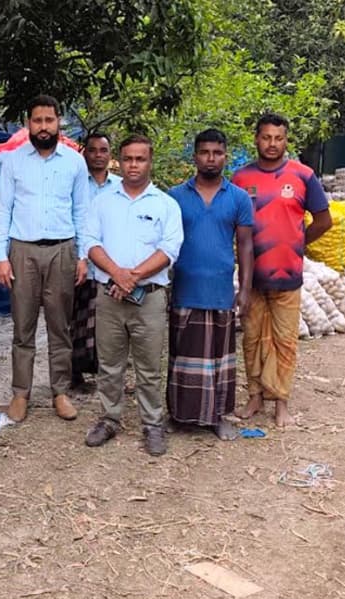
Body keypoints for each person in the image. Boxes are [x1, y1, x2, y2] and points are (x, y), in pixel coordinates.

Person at [79, 135, 183, 456]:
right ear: (119, 162)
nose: (133, 165)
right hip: (109, 296)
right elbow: (90, 241)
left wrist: (132, 276)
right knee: (110, 364)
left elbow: (169, 249)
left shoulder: (165, 204)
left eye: (140, 159)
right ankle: (110, 418)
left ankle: (152, 424)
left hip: (149, 297)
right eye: (128, 159)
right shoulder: (102, 202)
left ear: (150, 162)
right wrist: (118, 275)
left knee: (149, 365)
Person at [0, 95, 91, 422]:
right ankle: (20, 393)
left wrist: (83, 255)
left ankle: (60, 392)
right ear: (28, 124)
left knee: (60, 326)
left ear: (58, 121)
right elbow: (2, 210)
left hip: (63, 250)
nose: (44, 127)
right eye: (37, 121)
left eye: (49, 120)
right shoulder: (14, 161)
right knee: (23, 327)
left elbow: (82, 211)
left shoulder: (75, 163)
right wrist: (0, 257)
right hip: (23, 251)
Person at [231, 113, 332, 427]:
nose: (272, 144)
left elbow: (324, 220)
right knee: (252, 339)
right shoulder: (240, 179)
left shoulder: (303, 176)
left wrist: (297, 244)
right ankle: (254, 398)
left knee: (285, 341)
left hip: (288, 277)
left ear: (286, 140)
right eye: (266, 137)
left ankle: (281, 404)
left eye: (278, 138)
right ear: (256, 139)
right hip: (251, 278)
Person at [167, 129, 255, 440]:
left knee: (220, 360)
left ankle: (218, 417)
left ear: (225, 156)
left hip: (220, 292)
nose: (211, 158)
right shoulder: (175, 197)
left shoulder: (239, 198)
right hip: (184, 291)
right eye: (205, 152)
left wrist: (244, 290)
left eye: (217, 153)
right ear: (195, 156)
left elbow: (245, 245)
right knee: (183, 357)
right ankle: (180, 416)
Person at [70, 131, 122, 394]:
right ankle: (75, 374)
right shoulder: (77, 185)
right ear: (84, 153)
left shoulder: (121, 186)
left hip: (109, 266)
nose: (98, 155)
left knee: (106, 323)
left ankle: (106, 375)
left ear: (110, 154)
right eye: (93, 150)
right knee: (77, 320)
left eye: (103, 150)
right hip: (80, 264)